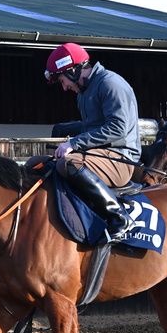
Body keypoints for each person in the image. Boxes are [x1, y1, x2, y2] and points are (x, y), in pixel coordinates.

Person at [41, 42, 140, 244]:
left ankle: (119, 217)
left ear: (73, 70)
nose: (64, 87)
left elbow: (117, 128)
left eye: (62, 80)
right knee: (40, 163)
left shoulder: (110, 84)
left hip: (122, 160)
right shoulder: (84, 94)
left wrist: (74, 143)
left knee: (69, 163)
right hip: (100, 156)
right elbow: (92, 129)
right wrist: (68, 133)